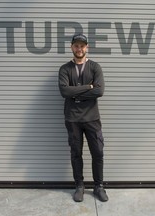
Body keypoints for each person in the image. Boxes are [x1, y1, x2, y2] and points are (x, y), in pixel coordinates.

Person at [58, 33, 108, 202]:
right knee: (76, 153)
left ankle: (99, 186)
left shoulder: (95, 67)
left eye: (82, 46)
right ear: (72, 47)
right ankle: (79, 185)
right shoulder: (65, 69)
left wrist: (76, 93)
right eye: (76, 46)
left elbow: (99, 91)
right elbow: (65, 92)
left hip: (92, 118)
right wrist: (89, 87)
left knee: (98, 153)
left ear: (87, 47)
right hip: (73, 119)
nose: (79, 49)